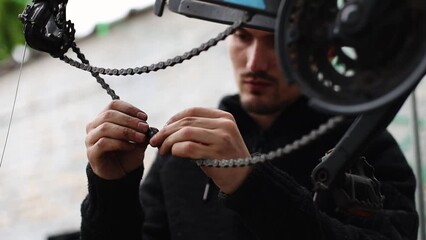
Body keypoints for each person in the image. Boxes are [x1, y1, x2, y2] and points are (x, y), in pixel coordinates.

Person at [80, 27, 419, 240]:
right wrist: (112, 191)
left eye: (276, 42)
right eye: (243, 37)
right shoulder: (185, 151)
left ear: (323, 53)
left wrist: (252, 185)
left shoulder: (360, 142)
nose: (255, 63)